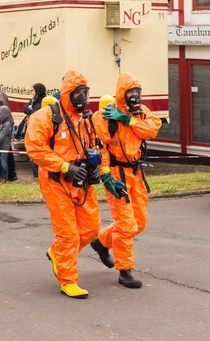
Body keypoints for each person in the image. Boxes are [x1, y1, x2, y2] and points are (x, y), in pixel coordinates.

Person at [24, 69, 101, 300]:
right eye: (78, 94)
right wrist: (65, 167)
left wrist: (95, 165)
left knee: (90, 228)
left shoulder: (85, 118)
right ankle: (68, 280)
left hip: (81, 179)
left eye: (85, 93)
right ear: (67, 93)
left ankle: (56, 253)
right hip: (56, 180)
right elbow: (35, 148)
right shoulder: (45, 117)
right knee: (67, 233)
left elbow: (94, 144)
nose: (83, 99)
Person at [90, 75, 162, 289]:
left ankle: (102, 241)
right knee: (126, 224)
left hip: (136, 173)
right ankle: (125, 270)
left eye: (137, 92)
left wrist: (128, 119)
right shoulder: (104, 117)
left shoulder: (140, 113)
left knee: (139, 221)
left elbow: (152, 130)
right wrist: (106, 175)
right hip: (115, 172)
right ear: (121, 93)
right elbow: (99, 148)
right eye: (130, 92)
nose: (134, 96)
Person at [20, 83, 46, 180]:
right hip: (30, 128)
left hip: (39, 129)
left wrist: (32, 111)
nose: (32, 92)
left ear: (37, 91)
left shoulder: (44, 101)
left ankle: (38, 175)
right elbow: (25, 109)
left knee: (37, 154)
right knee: (31, 153)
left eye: (33, 90)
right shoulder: (32, 100)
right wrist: (31, 110)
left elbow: (40, 114)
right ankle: (36, 175)